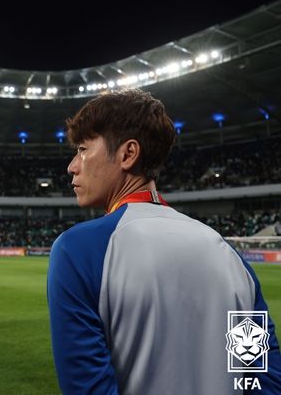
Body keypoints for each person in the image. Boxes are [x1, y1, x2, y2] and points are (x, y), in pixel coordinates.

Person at [47, 89, 281, 394]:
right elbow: (262, 376)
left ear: (128, 154)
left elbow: (88, 389)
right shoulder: (228, 254)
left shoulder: (77, 250)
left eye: (82, 149)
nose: (72, 166)